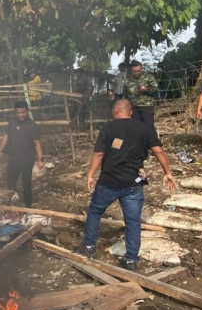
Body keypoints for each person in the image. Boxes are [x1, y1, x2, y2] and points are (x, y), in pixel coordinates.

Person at [75, 99, 177, 270]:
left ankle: (89, 247)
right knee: (133, 222)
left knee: (94, 211)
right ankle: (130, 259)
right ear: (130, 112)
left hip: (109, 182)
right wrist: (167, 173)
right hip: (133, 184)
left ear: (115, 111)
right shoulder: (144, 128)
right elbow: (158, 150)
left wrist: (90, 175)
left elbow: (99, 153)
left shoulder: (108, 128)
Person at [0, 101, 43, 207]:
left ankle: (28, 207)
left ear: (27, 111)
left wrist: (41, 160)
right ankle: (13, 204)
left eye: (23, 112)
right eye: (18, 113)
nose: (21, 115)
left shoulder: (32, 126)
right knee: (10, 183)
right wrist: (0, 150)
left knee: (26, 184)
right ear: (15, 112)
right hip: (14, 158)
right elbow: (6, 136)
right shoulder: (12, 123)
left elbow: (37, 143)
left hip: (27, 160)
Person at [121, 60, 158, 127]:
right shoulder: (127, 81)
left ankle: (151, 138)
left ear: (141, 69)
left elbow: (155, 89)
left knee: (149, 127)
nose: (137, 73)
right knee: (136, 127)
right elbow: (125, 95)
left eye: (138, 71)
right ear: (131, 70)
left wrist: (146, 89)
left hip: (146, 106)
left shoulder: (148, 77)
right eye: (135, 71)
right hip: (134, 107)